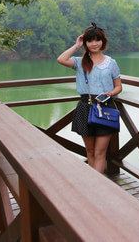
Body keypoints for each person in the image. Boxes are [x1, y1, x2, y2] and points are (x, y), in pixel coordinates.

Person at [57, 23, 122, 174]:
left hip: (105, 108)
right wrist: (76, 45)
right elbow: (61, 59)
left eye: (97, 40)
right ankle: (94, 183)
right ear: (85, 43)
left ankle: (97, 187)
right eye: (90, 41)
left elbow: (119, 86)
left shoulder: (111, 63)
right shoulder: (80, 62)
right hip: (85, 108)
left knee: (100, 152)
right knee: (90, 150)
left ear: (102, 42)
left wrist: (111, 93)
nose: (94, 44)